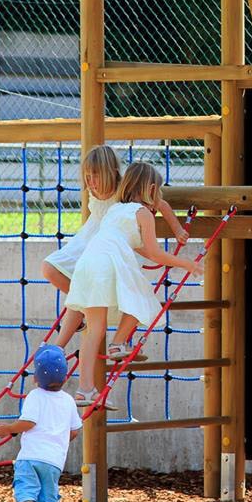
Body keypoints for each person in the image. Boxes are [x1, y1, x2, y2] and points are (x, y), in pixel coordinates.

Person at [64, 161, 203, 409]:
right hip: (109, 264)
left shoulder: (116, 210)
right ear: (150, 189)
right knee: (144, 298)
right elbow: (155, 253)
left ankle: (85, 390)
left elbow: (141, 249)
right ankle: (118, 342)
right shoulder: (142, 214)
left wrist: (170, 258)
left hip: (88, 264)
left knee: (94, 330)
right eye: (157, 191)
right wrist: (186, 263)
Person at [44, 147, 188, 353]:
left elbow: (161, 203)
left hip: (115, 246)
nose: (91, 182)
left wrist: (178, 229)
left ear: (111, 173)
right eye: (87, 176)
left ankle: (66, 341)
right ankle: (62, 342)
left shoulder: (124, 191)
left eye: (96, 176)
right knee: (51, 270)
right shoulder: (93, 192)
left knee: (87, 291)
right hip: (92, 239)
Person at [0, 343, 82, 502]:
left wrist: (10, 429)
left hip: (31, 457)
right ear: (66, 378)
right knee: (49, 497)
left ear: (35, 378)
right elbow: (75, 431)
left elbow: (29, 422)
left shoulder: (35, 395)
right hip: (53, 461)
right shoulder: (68, 401)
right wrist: (59, 439)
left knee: (25, 488)